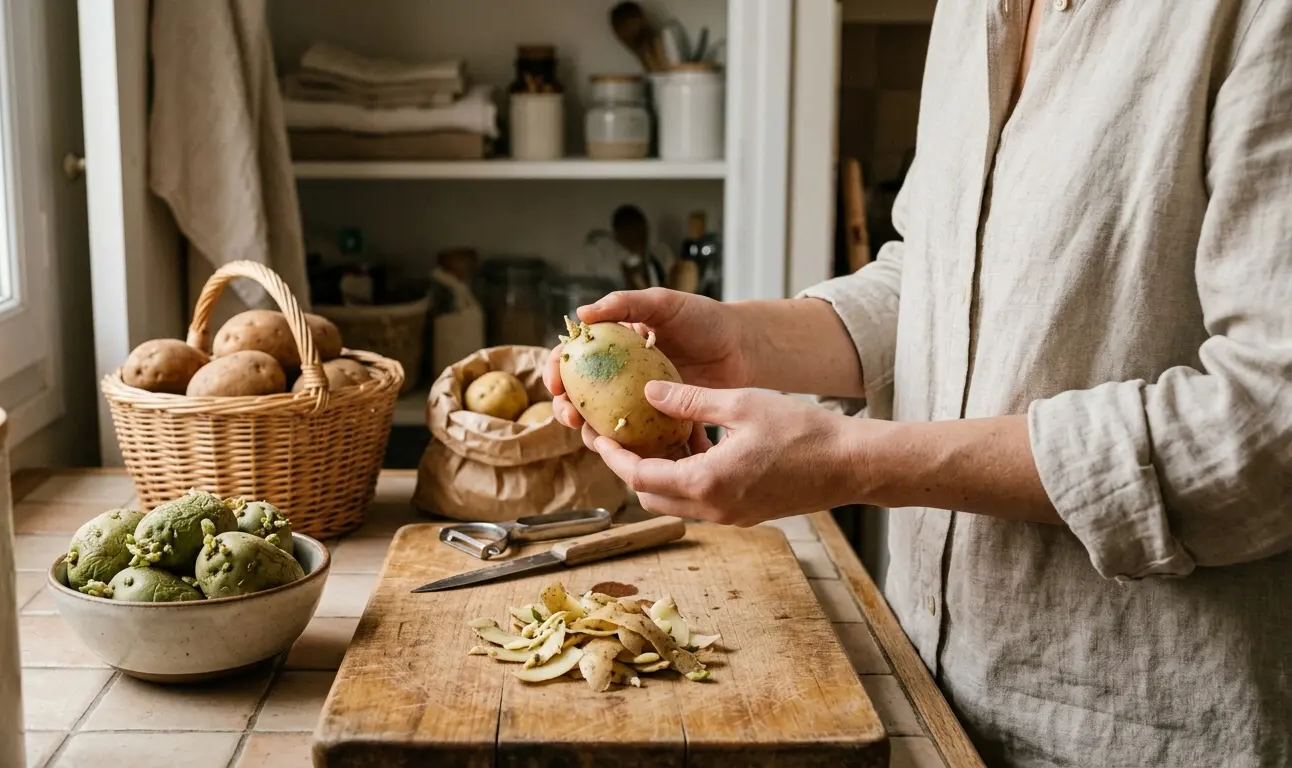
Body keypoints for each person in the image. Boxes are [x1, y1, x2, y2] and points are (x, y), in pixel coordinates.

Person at [544, 1, 1290, 766]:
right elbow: (932, 274)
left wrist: (853, 463)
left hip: (1141, 722)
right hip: (924, 689)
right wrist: (742, 340)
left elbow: (1268, 428)